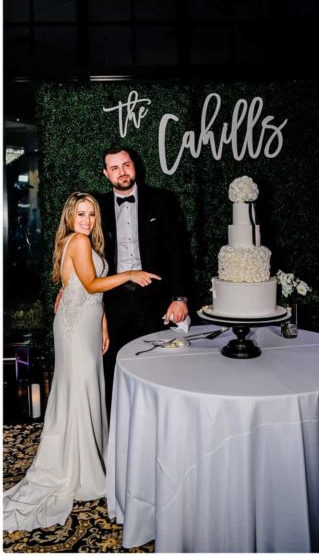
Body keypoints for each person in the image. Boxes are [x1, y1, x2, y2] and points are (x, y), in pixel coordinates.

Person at [4, 193, 160, 531]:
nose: (87, 220)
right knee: (79, 388)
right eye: (80, 214)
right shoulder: (76, 241)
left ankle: (88, 456)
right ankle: (76, 466)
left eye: (91, 214)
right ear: (70, 217)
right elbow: (90, 284)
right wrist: (131, 273)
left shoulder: (83, 242)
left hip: (85, 324)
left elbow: (81, 289)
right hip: (75, 330)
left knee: (86, 387)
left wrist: (102, 323)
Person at [96, 146, 194, 417]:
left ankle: (157, 426)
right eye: (114, 168)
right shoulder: (96, 207)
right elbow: (79, 250)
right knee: (111, 368)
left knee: (157, 367)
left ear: (134, 166)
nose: (122, 172)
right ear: (106, 173)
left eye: (126, 165)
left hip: (153, 298)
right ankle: (116, 432)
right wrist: (68, 288)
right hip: (111, 300)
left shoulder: (162, 200)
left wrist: (180, 297)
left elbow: (179, 251)